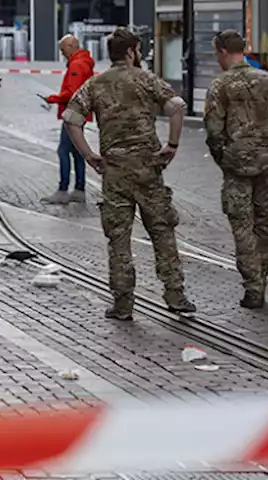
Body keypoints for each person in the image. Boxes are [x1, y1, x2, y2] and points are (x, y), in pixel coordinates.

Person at [64, 27, 196, 320]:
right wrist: (171, 145)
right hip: (148, 168)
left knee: (119, 238)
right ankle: (175, 296)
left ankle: (123, 304)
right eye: (138, 49)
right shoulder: (145, 79)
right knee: (162, 232)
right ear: (130, 51)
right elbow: (176, 107)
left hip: (114, 172)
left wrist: (89, 155)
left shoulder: (95, 84)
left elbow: (72, 120)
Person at [204, 30, 268, 309]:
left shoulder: (221, 85)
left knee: (242, 226)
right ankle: (262, 279)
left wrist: (225, 156)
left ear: (222, 51)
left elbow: (214, 130)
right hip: (266, 164)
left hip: (237, 166)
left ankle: (252, 286)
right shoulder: (267, 79)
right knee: (262, 223)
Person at [40, 34, 94, 205]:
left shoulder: (77, 65)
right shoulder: (84, 62)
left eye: (63, 50)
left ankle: (63, 190)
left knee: (63, 150)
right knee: (77, 152)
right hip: (82, 112)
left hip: (74, 113)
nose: (63, 54)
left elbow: (72, 92)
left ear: (71, 46)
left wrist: (53, 98)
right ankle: (79, 189)